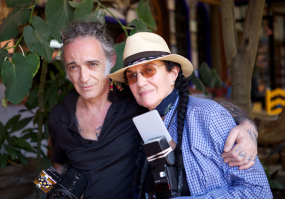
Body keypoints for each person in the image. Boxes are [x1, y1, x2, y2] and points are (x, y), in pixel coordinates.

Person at [49, 21, 259, 199]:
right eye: (73, 67)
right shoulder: (59, 116)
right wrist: (51, 191)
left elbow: (201, 107)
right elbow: (56, 167)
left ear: (110, 61)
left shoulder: (135, 101)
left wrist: (247, 127)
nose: (83, 77)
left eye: (92, 64)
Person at [108, 32, 272, 198]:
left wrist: (247, 125)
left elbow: (259, 192)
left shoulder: (207, 116)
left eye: (149, 70)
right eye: (132, 76)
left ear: (173, 73)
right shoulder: (136, 117)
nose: (140, 82)